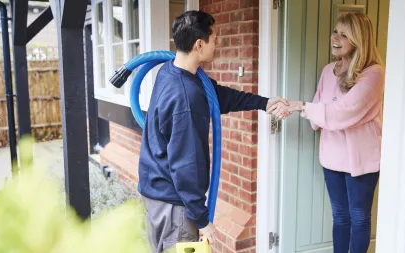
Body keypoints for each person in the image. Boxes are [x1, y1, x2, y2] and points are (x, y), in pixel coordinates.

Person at [137, 10, 287, 253]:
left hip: (157, 192)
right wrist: (201, 219)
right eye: (215, 38)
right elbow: (186, 164)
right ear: (199, 44)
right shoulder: (187, 98)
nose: (218, 43)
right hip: (175, 205)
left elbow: (217, 97)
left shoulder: (171, 71)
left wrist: (264, 103)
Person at [268, 12, 385, 253]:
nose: (335, 37)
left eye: (344, 34)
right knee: (340, 217)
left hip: (361, 160)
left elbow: (343, 111)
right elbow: (319, 110)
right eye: (335, 31)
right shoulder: (328, 70)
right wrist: (307, 110)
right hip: (332, 157)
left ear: (359, 39)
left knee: (359, 217)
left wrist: (303, 107)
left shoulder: (374, 74)